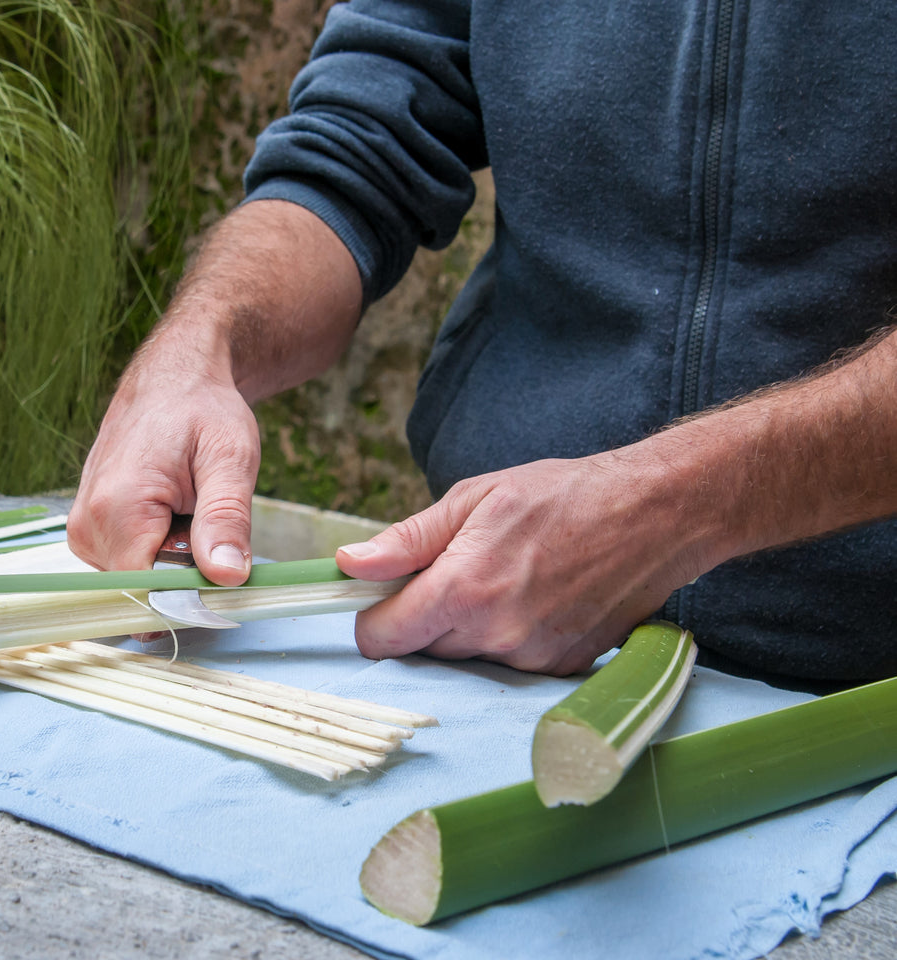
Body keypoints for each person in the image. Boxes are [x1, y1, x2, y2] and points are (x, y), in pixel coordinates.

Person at [68, 0, 897, 681]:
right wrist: (199, 352)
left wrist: (667, 510)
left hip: (861, 687)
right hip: (487, 649)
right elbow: (357, 153)